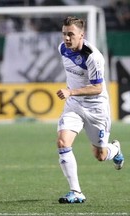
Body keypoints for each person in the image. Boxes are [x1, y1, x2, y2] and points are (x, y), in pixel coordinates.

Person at [56, 16, 124, 204]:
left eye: (71, 34)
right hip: (74, 106)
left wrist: (71, 91)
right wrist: (72, 94)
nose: (67, 38)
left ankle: (115, 149)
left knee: (100, 155)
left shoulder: (93, 57)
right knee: (63, 142)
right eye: (64, 34)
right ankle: (76, 191)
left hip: (96, 109)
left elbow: (98, 88)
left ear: (81, 35)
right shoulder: (62, 49)